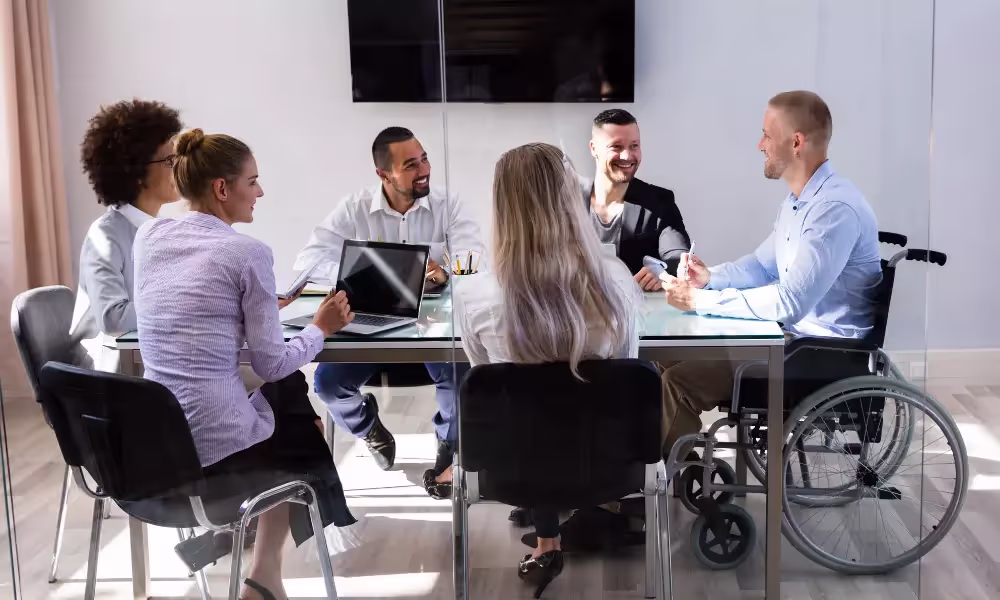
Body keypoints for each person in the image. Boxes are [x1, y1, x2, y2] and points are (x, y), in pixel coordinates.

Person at [134, 129, 357, 600]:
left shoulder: (149, 236)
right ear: (222, 188)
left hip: (156, 446)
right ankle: (262, 572)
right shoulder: (246, 253)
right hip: (216, 453)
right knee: (296, 409)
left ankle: (243, 546)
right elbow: (272, 363)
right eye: (252, 182)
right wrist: (321, 327)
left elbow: (188, 309)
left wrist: (248, 310)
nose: (260, 192)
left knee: (290, 399)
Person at [454, 142, 642, 595]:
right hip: (609, 467)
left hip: (511, 468)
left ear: (503, 204)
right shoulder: (615, 281)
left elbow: (485, 382)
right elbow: (629, 370)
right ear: (568, 201)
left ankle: (547, 541)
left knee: (530, 419)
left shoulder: (474, 296)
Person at [657, 91, 882, 456]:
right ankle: (666, 469)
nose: (759, 144)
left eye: (766, 134)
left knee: (678, 382)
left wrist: (701, 301)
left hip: (815, 357)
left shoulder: (833, 210)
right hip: (791, 343)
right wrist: (709, 277)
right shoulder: (799, 201)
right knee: (664, 357)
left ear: (796, 143)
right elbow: (763, 265)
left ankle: (654, 486)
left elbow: (790, 302)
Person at [293, 126, 483, 495]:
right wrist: (369, 275)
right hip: (371, 320)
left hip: (433, 325)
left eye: (424, 158)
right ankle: (368, 428)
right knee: (328, 384)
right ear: (384, 174)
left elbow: (475, 261)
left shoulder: (450, 205)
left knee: (459, 377)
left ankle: (448, 442)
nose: (424, 169)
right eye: (411, 165)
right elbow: (308, 261)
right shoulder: (354, 208)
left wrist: (445, 272)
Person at [71, 99, 183, 371]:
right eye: (170, 160)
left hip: (147, 363)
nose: (180, 167)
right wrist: (187, 303)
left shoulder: (160, 230)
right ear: (136, 173)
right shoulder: (104, 236)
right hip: (111, 378)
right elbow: (114, 319)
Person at [584, 109, 690, 292]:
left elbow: (678, 256)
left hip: (641, 314)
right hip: (575, 313)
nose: (627, 156)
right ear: (594, 149)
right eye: (616, 147)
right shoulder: (566, 203)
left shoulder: (659, 202)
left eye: (634, 146)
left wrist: (661, 271)